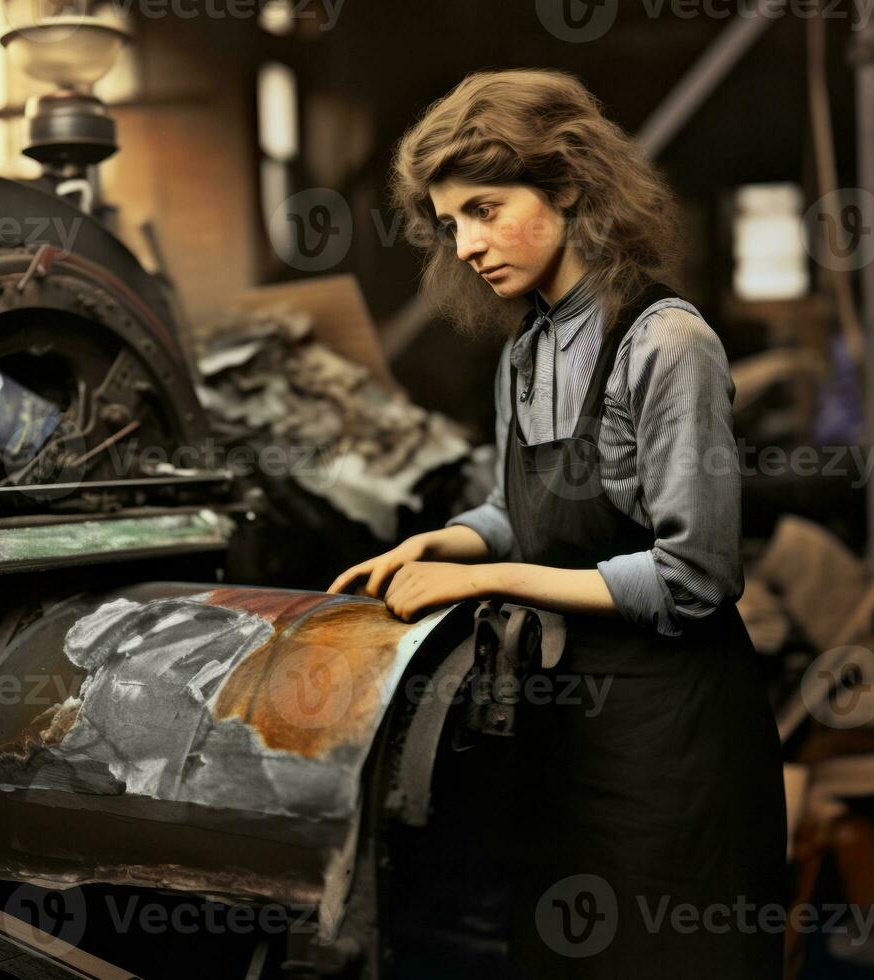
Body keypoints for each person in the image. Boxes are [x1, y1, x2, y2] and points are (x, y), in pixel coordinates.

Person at [328, 69, 786, 978]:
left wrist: (487, 579)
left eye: (485, 209)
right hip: (565, 738)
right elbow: (518, 513)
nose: (464, 245)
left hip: (674, 743)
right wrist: (448, 542)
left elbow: (695, 579)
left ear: (568, 186)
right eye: (450, 222)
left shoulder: (665, 342)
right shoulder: (525, 351)